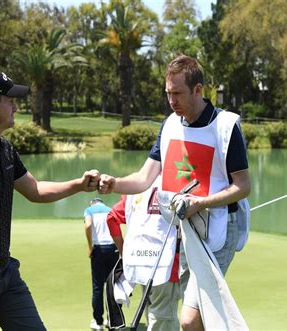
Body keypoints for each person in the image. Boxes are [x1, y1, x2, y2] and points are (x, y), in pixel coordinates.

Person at [0, 69, 100, 331]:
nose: (15, 105)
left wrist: (79, 185)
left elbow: (34, 190)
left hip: (6, 274)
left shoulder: (5, 150)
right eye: (10, 100)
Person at [98, 54, 251, 331]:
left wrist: (200, 203)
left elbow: (243, 186)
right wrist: (116, 183)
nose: (171, 101)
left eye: (177, 93)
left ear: (198, 90)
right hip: (182, 231)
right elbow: (145, 178)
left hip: (217, 232)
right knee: (197, 318)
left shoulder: (226, 127)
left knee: (190, 320)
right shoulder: (169, 125)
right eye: (168, 94)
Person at [106, 176, 181, 331]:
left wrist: (124, 252)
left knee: (151, 310)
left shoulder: (136, 186)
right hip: (167, 265)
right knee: (162, 317)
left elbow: (112, 218)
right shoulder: (177, 183)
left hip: (140, 261)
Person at [84, 197, 119, 330]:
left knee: (98, 287)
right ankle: (113, 321)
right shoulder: (110, 210)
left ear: (92, 203)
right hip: (113, 249)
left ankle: (98, 322)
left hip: (98, 249)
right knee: (112, 286)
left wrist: (89, 246)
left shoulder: (89, 210)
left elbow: (87, 225)